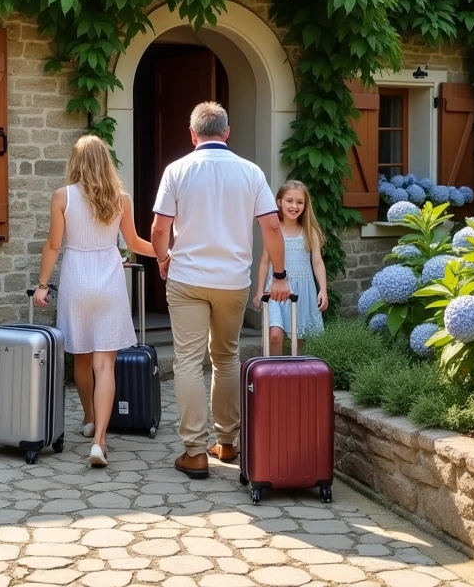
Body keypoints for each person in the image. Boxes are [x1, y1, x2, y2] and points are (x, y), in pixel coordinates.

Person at [150, 102, 290, 479]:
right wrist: (279, 275)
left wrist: (163, 259)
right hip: (232, 280)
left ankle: (194, 451)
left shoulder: (177, 170)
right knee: (226, 358)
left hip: (188, 279)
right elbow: (272, 228)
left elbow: (160, 229)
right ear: (227, 132)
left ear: (192, 134)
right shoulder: (250, 172)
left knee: (189, 361)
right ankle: (228, 442)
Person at [32, 135, 156, 468]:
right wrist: (168, 253)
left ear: (75, 162)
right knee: (106, 365)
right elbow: (133, 242)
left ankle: (89, 417)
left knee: (82, 361)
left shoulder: (62, 196)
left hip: (76, 280)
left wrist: (42, 285)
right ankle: (100, 440)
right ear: (106, 162)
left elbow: (53, 246)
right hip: (110, 281)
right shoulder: (121, 198)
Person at [255, 180, 328, 355]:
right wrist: (259, 291)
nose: (294, 206)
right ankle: (275, 376)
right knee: (274, 335)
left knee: (300, 341)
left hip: (303, 290)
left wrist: (323, 290)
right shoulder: (273, 230)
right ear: (279, 201)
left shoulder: (310, 231)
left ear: (305, 204)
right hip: (276, 290)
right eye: (289, 201)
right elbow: (265, 261)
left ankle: (296, 378)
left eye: (300, 202)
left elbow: (317, 261)